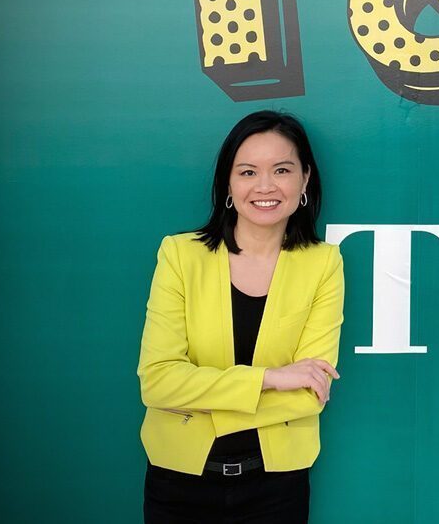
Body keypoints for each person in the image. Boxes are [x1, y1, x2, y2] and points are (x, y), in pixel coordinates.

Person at [138, 110, 344, 523]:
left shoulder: (324, 264)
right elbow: (158, 382)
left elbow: (309, 393)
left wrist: (196, 400)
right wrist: (271, 379)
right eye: (248, 172)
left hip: (276, 487)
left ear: (304, 179)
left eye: (281, 170)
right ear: (228, 185)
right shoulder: (180, 256)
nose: (265, 187)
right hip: (178, 482)